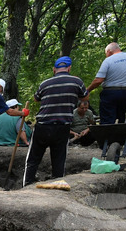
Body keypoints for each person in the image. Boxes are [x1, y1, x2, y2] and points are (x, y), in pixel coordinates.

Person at [24, 56, 88, 186]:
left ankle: (26, 185)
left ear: (54, 69)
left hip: (43, 126)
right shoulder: (76, 82)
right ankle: (57, 186)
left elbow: (36, 98)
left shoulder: (45, 83)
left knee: (33, 159)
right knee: (59, 160)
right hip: (62, 127)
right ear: (69, 68)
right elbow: (85, 96)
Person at [86, 42, 126, 125]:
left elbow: (98, 80)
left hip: (110, 93)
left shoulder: (108, 60)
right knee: (121, 116)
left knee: (107, 119)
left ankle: (107, 137)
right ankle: (120, 136)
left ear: (108, 51)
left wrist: (87, 90)